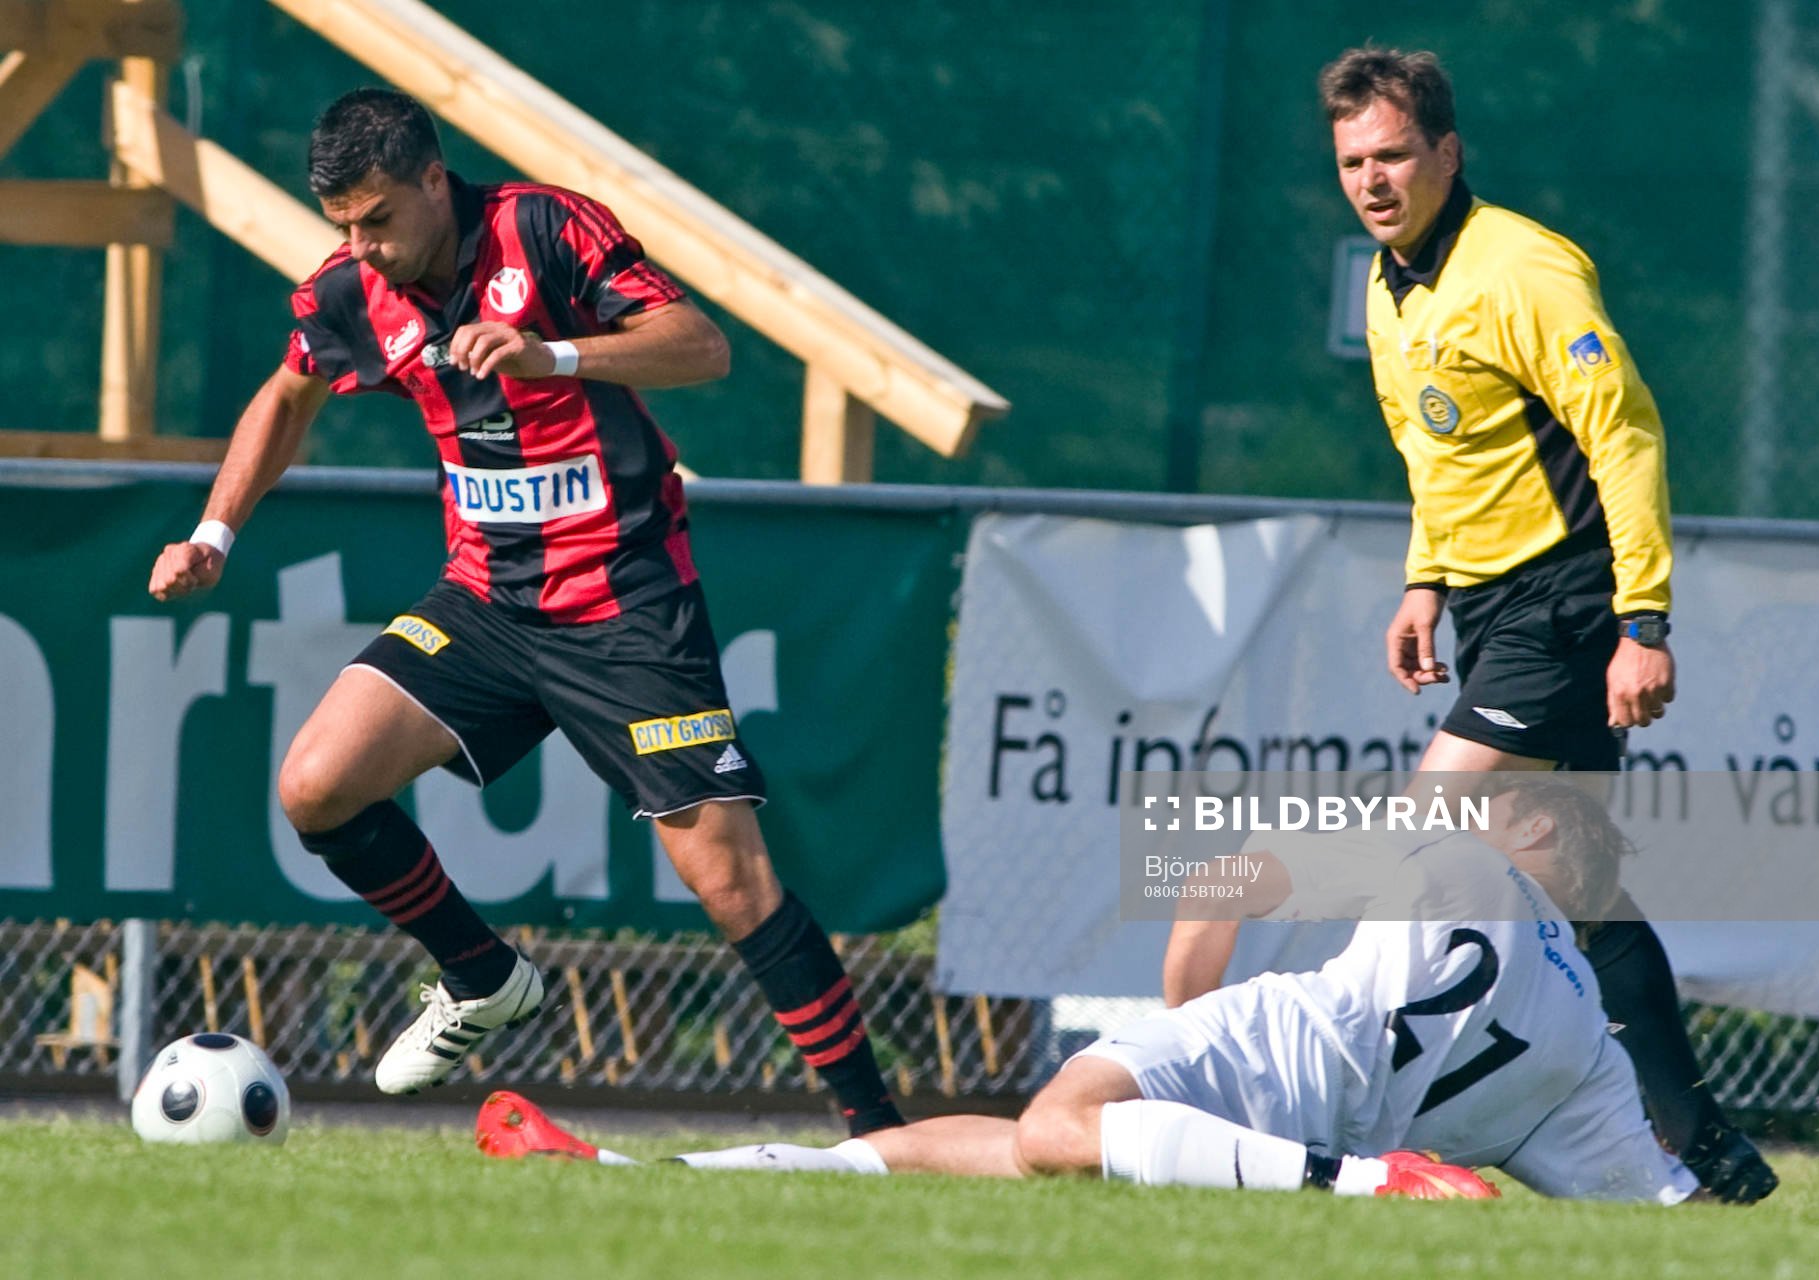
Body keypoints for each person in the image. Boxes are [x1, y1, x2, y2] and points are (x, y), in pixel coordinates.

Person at [145, 88, 902, 1135]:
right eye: (343, 228)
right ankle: (482, 973)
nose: (362, 248)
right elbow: (286, 392)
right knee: (316, 783)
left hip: (625, 599)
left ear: (429, 178)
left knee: (729, 881)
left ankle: (880, 1132)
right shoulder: (351, 291)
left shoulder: (543, 228)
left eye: (377, 220)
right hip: (486, 600)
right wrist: (213, 535)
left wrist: (554, 352)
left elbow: (700, 345)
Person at [1281, 45, 1771, 1201]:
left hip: (1564, 600)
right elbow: (1437, 455)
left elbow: (1625, 434)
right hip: (1492, 601)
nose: (1372, 178)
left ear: (1446, 152)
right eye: (1352, 160)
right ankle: (1696, 1142)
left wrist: (1640, 620)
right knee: (1576, 885)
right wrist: (1423, 580)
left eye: (1393, 154)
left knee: (1418, 824)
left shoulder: (1522, 268)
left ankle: (1346, 1107)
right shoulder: (1387, 279)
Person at [480, 782, 1704, 1205]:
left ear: (1537, 830)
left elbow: (1224, 872)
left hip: (1273, 1060)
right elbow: (1659, 1209)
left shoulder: (1454, 847)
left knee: (1063, 1129)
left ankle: (1352, 1185)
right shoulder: (1584, 1034)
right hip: (1340, 1111)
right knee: (1014, 1144)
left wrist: (1179, 1013)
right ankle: (635, 1177)